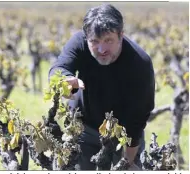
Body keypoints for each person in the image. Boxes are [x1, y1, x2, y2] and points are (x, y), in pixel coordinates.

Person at [48, 4, 155, 170]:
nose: (102, 49)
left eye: (108, 40)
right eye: (94, 41)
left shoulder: (139, 63)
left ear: (121, 35)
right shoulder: (79, 43)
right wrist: (64, 80)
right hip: (85, 129)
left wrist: (128, 162)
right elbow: (58, 68)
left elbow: (138, 118)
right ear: (87, 38)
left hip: (124, 134)